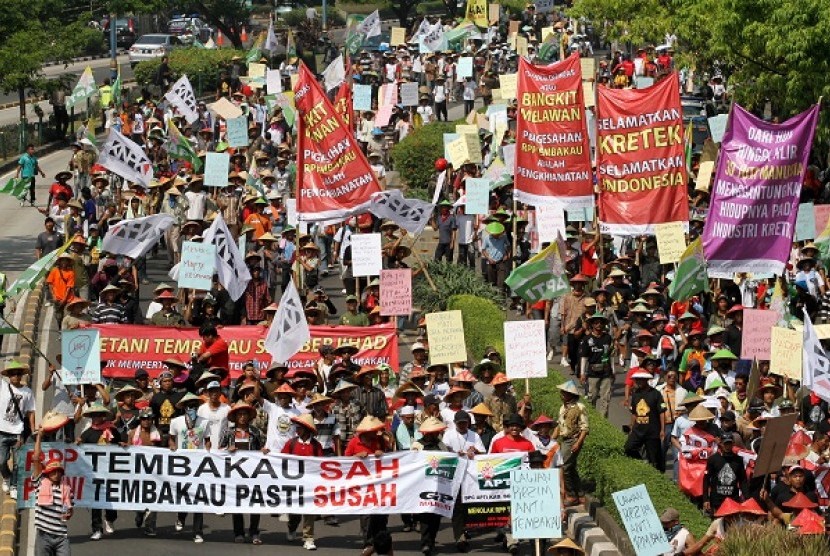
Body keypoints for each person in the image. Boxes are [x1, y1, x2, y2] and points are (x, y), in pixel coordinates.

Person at [219, 402, 265, 544]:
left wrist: (263, 451)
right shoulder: (228, 432)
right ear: (235, 417)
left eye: (245, 414)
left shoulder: (256, 432)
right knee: (237, 503)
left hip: (253, 473)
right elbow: (219, 450)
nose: (243, 417)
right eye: (240, 414)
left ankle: (254, 532)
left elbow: (262, 447)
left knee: (255, 503)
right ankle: (238, 532)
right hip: (235, 474)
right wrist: (228, 449)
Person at [169, 392, 210, 543]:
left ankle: (198, 531)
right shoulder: (176, 422)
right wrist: (172, 446)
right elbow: (172, 439)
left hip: (199, 466)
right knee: (184, 495)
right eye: (189, 406)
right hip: (182, 466)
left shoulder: (205, 422)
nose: (191, 408)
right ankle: (181, 517)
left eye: (194, 405)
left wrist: (208, 452)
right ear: (184, 408)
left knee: (198, 497)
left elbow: (207, 441)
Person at [77, 403, 121, 540]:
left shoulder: (112, 430)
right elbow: (78, 448)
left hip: (110, 472)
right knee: (95, 501)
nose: (96, 418)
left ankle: (110, 518)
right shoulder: (87, 433)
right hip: (94, 474)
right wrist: (77, 443)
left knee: (110, 499)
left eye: (98, 415)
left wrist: (123, 444)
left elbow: (122, 441)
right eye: (93, 415)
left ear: (103, 416)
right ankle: (97, 529)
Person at [31, 428, 74, 556]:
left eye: (58, 472)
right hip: (43, 536)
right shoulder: (40, 482)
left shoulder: (66, 488)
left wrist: (69, 513)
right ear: (48, 473)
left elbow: (71, 509)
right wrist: (39, 437)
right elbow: (36, 459)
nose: (56, 474)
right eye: (53, 472)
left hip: (61, 536)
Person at [282, 414, 322, 550]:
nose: (296, 429)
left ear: (306, 428)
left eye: (299, 427)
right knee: (295, 513)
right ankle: (292, 528)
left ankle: (308, 537)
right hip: (294, 484)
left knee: (309, 511)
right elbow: (281, 459)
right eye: (296, 427)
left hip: (310, 485)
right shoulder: (291, 443)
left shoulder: (316, 446)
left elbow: (320, 465)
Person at [411, 417, 448, 556]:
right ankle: (425, 543)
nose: (435, 434)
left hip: (439, 484)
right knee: (425, 515)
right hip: (423, 484)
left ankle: (432, 540)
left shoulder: (441, 445)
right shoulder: (417, 445)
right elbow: (412, 461)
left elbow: (448, 458)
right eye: (433, 432)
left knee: (436, 516)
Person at [0, 361, 35, 499]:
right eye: (13, 373)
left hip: (18, 432)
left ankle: (14, 485)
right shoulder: (3, 386)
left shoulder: (27, 392)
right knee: (1, 461)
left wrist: (33, 430)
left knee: (17, 463)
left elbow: (31, 412)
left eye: (18, 373)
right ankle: (7, 477)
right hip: (1, 430)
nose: (16, 376)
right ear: (8, 376)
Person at [553, 381, 589, 505]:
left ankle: (571, 494)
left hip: (573, 439)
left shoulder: (579, 407)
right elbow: (559, 425)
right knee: (571, 467)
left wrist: (578, 443)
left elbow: (584, 428)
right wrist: (552, 440)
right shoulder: (562, 408)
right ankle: (579, 493)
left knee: (564, 466)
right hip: (564, 440)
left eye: (564, 392)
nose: (562, 394)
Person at [624, 369, 667, 472]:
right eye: (636, 380)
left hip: (652, 431)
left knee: (654, 459)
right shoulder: (635, 394)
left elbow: (662, 412)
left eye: (640, 380)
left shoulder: (656, 394)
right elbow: (634, 412)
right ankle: (642, 463)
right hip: (638, 430)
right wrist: (631, 425)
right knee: (628, 448)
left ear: (646, 380)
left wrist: (662, 430)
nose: (638, 382)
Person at [703, 432, 748, 516]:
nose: (727, 446)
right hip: (717, 500)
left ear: (733, 444)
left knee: (732, 526)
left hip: (733, 500)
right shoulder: (713, 459)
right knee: (718, 525)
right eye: (725, 444)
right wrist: (706, 499)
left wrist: (747, 498)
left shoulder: (738, 460)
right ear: (720, 444)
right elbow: (706, 480)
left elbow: (743, 481)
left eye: (729, 444)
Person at [579, 312, 615, 417]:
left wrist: (613, 370)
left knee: (606, 398)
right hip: (592, 372)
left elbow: (611, 355)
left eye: (601, 323)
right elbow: (584, 357)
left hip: (606, 372)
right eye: (596, 323)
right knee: (592, 398)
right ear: (592, 325)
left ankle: (603, 421)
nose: (599, 325)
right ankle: (592, 419)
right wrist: (582, 373)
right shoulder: (587, 339)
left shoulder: (608, 338)